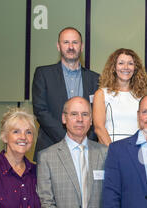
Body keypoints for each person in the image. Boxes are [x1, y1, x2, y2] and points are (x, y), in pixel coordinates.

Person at [32, 27, 100, 160]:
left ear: (82, 47)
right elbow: (40, 111)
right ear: (58, 46)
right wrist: (68, 139)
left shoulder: (96, 79)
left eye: (75, 42)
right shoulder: (43, 74)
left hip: (87, 150)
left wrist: (84, 140)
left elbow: (98, 115)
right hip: (51, 148)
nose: (71, 47)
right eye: (66, 42)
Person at [93, 48, 147, 146]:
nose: (126, 67)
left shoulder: (142, 96)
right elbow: (99, 128)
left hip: (136, 151)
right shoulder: (101, 94)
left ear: (135, 68)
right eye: (121, 63)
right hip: (110, 151)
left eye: (130, 63)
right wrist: (114, 152)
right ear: (113, 67)